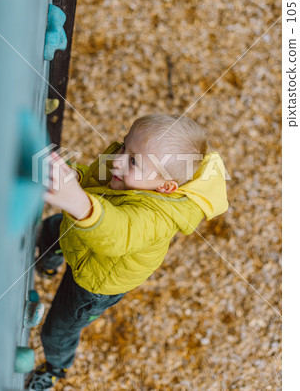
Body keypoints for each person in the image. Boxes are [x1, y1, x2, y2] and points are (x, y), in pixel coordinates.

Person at [26, 114, 228, 390]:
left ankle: (54, 369)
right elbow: (94, 183)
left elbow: (118, 233)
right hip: (82, 237)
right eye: (123, 146)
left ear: (164, 187)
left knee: (57, 330)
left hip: (95, 282)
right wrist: (75, 177)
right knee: (52, 232)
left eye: (133, 161)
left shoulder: (157, 218)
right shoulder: (124, 173)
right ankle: (48, 265)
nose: (118, 160)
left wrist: (80, 204)